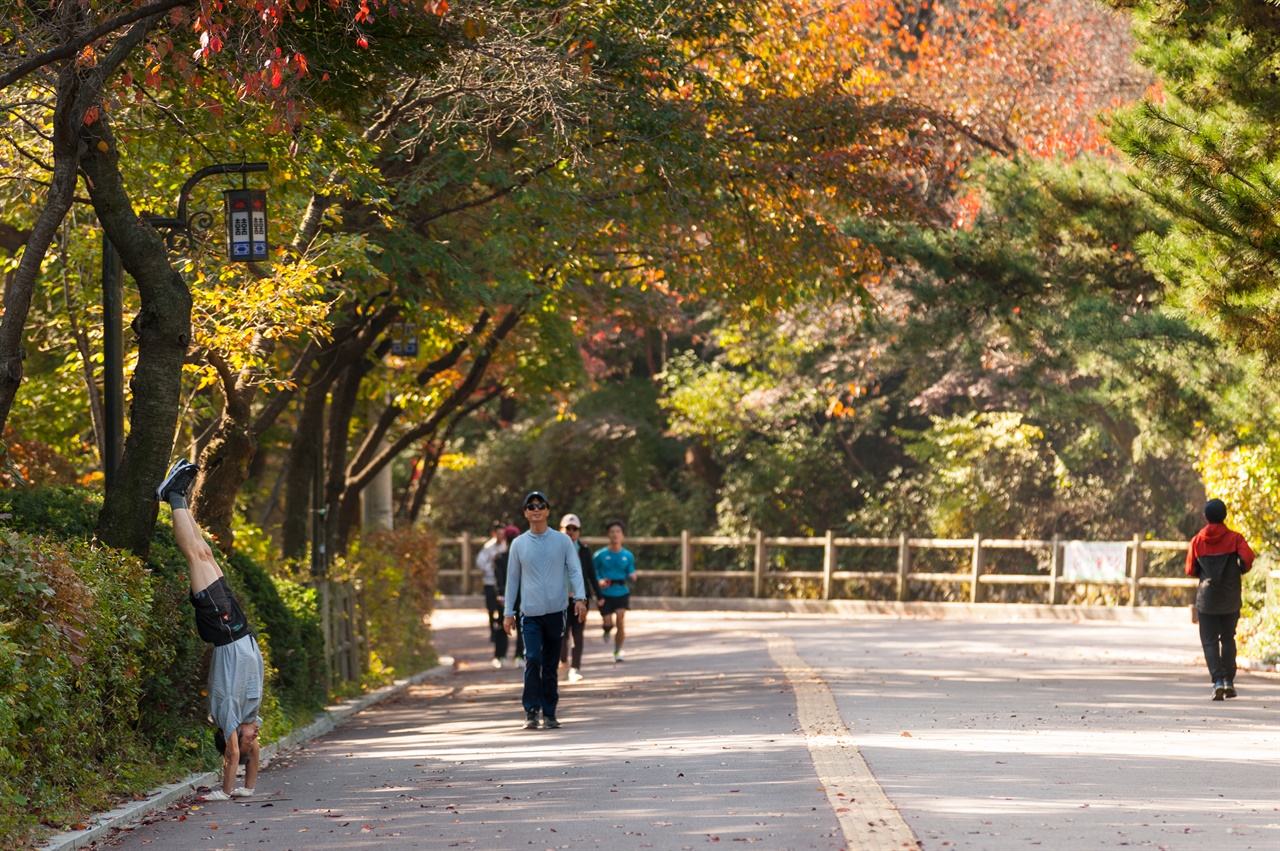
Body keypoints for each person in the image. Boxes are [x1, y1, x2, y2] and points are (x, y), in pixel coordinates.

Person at [157, 459, 263, 800]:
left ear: (236, 740)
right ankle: (178, 498)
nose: (255, 739)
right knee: (205, 551)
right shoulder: (250, 715)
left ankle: (173, 496)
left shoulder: (228, 717)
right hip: (235, 628)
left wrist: (227, 791)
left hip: (222, 627)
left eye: (249, 742)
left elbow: (234, 754)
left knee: (194, 555)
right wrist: (248, 789)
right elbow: (251, 754)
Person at [502, 491, 587, 730]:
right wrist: (508, 613)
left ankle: (549, 713)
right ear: (526, 513)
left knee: (550, 663)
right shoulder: (519, 544)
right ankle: (531, 711)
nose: (536, 509)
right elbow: (512, 580)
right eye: (531, 506)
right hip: (529, 614)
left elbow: (574, 570)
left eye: (541, 505)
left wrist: (580, 598)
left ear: (548, 510)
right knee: (533, 659)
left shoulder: (562, 541)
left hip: (556, 611)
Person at [1185, 498, 1256, 701]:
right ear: (1225, 516)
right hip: (1230, 598)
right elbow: (1248, 558)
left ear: (1206, 517)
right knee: (1228, 638)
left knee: (1209, 642)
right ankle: (1228, 681)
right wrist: (1239, 570)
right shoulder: (1235, 538)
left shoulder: (1197, 540)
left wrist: (1202, 571)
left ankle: (1217, 681)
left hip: (1207, 600)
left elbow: (1190, 569)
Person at [558, 513, 598, 683]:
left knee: (578, 634)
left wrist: (599, 595)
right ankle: (563, 663)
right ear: (561, 529)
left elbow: (591, 574)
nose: (571, 532)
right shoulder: (555, 549)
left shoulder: (584, 550)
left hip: (580, 599)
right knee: (562, 634)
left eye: (574, 529)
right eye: (568, 528)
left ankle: (575, 668)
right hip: (560, 599)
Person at [593, 519, 637, 663]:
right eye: (612, 532)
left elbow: (630, 572)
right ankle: (606, 629)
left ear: (623, 535)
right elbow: (593, 572)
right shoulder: (600, 555)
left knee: (620, 620)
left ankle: (618, 650)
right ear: (608, 535)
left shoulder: (628, 555)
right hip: (605, 593)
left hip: (621, 591)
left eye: (618, 532)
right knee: (608, 622)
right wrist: (599, 581)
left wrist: (632, 576)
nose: (615, 535)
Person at [476, 522, 509, 668]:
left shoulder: (506, 547)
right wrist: (491, 568)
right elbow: (480, 562)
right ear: (494, 534)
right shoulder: (488, 547)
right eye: (499, 533)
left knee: (502, 611)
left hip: (503, 584)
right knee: (491, 609)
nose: (501, 536)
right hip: (490, 582)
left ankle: (500, 634)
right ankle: (493, 632)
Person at [492, 525, 522, 666]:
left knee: (502, 625)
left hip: (506, 597)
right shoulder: (523, 558)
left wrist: (500, 594)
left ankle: (500, 656)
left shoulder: (499, 558)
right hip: (521, 596)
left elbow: (498, 579)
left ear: (505, 539)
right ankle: (519, 656)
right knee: (522, 626)